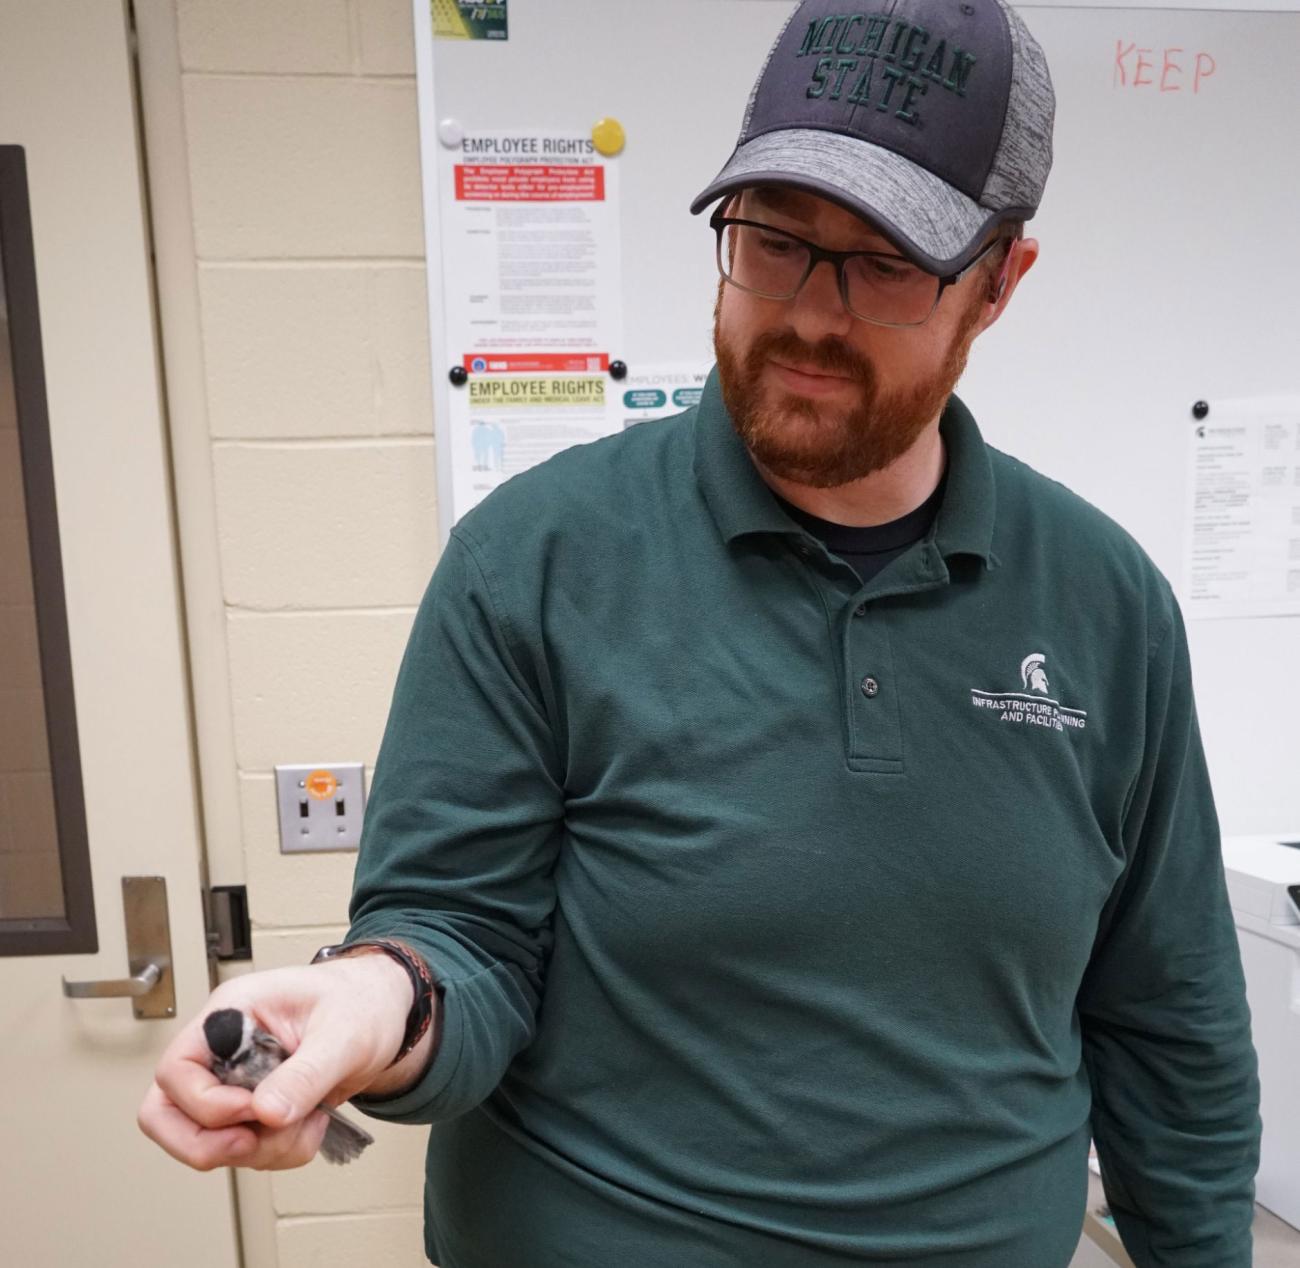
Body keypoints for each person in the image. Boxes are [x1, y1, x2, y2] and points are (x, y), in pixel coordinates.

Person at [138, 1, 1262, 1264]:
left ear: (999, 283)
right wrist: (363, 996)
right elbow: (462, 939)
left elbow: (1169, 1022)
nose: (811, 318)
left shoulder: (1107, 605)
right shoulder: (536, 560)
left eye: (886, 265)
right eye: (773, 242)